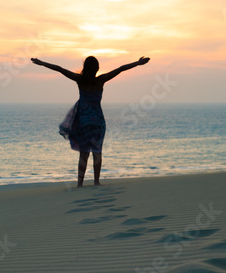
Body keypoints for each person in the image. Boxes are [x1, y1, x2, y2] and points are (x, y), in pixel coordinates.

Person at [31, 56, 150, 187]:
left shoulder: (79, 80)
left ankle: (80, 184)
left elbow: (59, 69)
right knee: (97, 151)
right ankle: (96, 182)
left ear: (85, 67)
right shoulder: (101, 80)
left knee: (84, 153)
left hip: (83, 121)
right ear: (97, 68)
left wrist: (42, 63)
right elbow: (121, 69)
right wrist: (138, 63)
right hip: (98, 121)